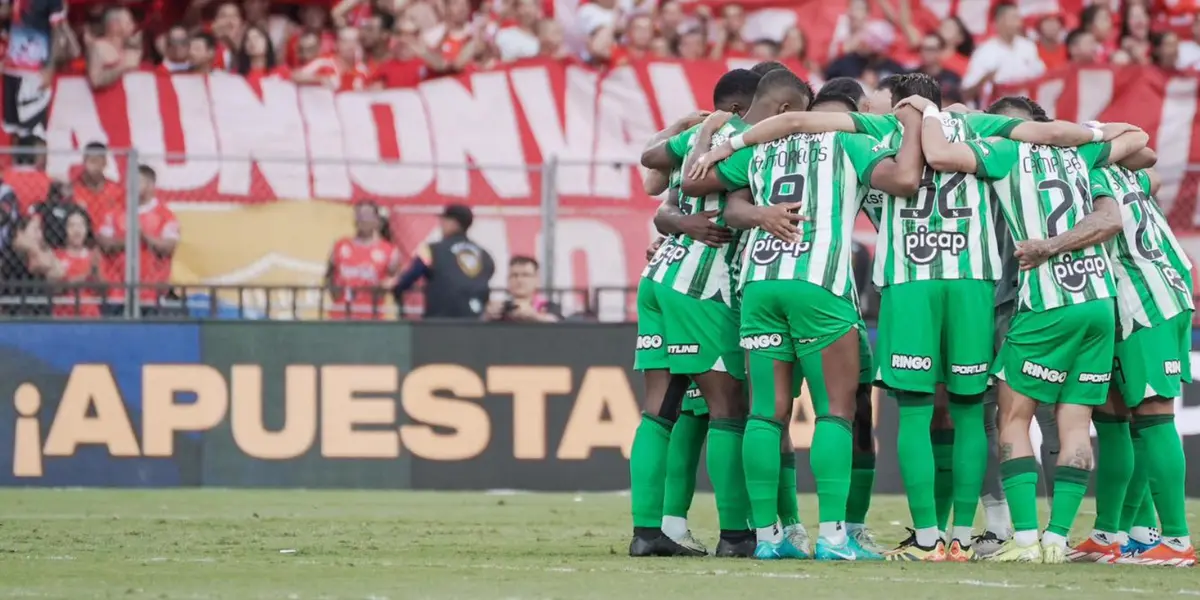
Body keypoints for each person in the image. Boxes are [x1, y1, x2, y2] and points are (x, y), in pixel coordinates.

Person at [685, 70, 924, 562]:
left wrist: (712, 137)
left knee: (764, 415)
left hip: (760, 285)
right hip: (819, 283)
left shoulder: (764, 150)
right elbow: (903, 180)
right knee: (836, 411)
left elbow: (699, 183)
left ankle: (770, 537)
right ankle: (834, 537)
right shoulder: (849, 142)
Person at [917, 96, 1145, 564]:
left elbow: (939, 155)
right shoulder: (1078, 153)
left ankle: (1022, 540)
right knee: (1076, 424)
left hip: (1047, 302)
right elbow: (1137, 138)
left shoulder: (1003, 152)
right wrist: (1089, 131)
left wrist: (934, 114)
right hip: (1099, 302)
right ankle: (1057, 540)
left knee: (1012, 417)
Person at [1025, 158, 1194, 566]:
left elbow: (1110, 221)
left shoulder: (1090, 173)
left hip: (1145, 302)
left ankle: (1175, 540)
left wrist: (1048, 247)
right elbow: (1150, 164)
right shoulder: (1123, 171)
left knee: (1153, 417)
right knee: (1115, 418)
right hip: (1148, 296)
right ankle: (1109, 533)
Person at [96, 165, 180, 316]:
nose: (129, 186)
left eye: (136, 181)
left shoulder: (165, 215)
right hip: (117, 292)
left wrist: (144, 237)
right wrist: (130, 239)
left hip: (152, 293)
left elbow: (169, 246)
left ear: (150, 185)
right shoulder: (115, 212)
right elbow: (104, 242)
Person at [393, 204, 494, 319]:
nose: (440, 224)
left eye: (444, 220)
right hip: (474, 320)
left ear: (454, 223)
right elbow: (487, 275)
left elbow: (410, 276)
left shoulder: (432, 250)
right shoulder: (484, 255)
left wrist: (397, 288)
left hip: (439, 321)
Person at [325, 202, 400, 320]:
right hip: (341, 316)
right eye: (358, 215)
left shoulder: (389, 251)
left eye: (366, 215)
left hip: (371, 318)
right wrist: (334, 290)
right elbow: (329, 274)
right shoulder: (341, 246)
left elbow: (395, 279)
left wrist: (386, 285)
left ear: (377, 220)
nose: (362, 219)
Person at [3, 0, 65, 140]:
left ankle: (37, 161)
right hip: (11, 69)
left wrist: (50, 66)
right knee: (12, 129)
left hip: (36, 70)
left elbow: (58, 32)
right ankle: (16, 161)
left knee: (34, 130)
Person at [961, 2, 1044, 102]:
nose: (1019, 23)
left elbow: (1042, 77)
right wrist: (984, 79)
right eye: (1014, 18)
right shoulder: (984, 51)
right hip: (997, 111)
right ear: (999, 21)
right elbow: (966, 93)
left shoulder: (1028, 47)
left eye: (1019, 18)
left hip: (1027, 109)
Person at [48, 207, 100, 318]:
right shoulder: (56, 255)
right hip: (63, 315)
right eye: (72, 226)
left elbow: (101, 288)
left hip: (89, 315)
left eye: (81, 225)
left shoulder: (93, 256)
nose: (77, 231)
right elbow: (55, 288)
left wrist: (95, 272)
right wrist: (83, 279)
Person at [484, 256, 561, 322]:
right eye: (514, 275)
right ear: (508, 280)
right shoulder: (502, 309)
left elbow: (557, 323)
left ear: (537, 279)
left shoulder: (549, 306)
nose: (519, 280)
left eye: (525, 275)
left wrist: (533, 316)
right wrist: (487, 316)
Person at [87, 6, 143, 90]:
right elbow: (95, 80)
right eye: (128, 22)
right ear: (114, 25)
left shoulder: (130, 47)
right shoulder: (99, 47)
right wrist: (122, 67)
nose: (132, 26)